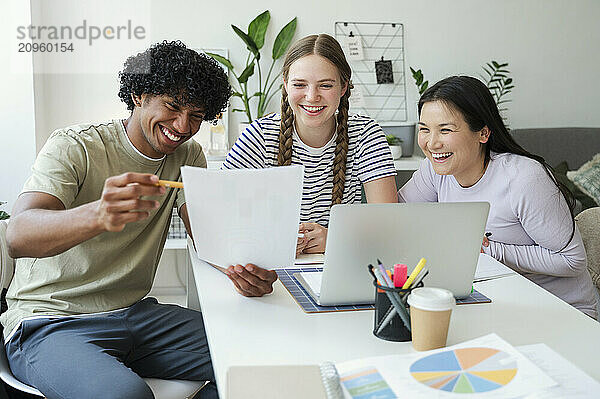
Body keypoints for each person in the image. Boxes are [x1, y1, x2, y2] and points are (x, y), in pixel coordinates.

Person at [1, 41, 231, 399]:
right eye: (173, 106)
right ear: (139, 94)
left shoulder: (188, 155)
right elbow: (18, 234)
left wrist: (247, 260)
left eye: (197, 116)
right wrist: (98, 214)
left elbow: (209, 235)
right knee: (125, 395)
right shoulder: (74, 146)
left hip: (137, 316)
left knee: (249, 358)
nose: (183, 125)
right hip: (52, 321)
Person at [398, 75, 597, 319]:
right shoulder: (436, 170)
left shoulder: (524, 178)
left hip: (561, 310)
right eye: (424, 129)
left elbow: (572, 260)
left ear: (483, 133)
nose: (431, 143)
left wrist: (487, 250)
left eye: (445, 130)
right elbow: (396, 216)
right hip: (497, 302)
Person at [222, 33, 398, 295]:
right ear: (285, 84)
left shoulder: (365, 133)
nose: (312, 96)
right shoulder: (259, 134)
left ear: (344, 86)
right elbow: (222, 218)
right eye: (300, 84)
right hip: (270, 275)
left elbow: (387, 223)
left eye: (325, 85)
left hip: (341, 272)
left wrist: (334, 239)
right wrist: (271, 242)